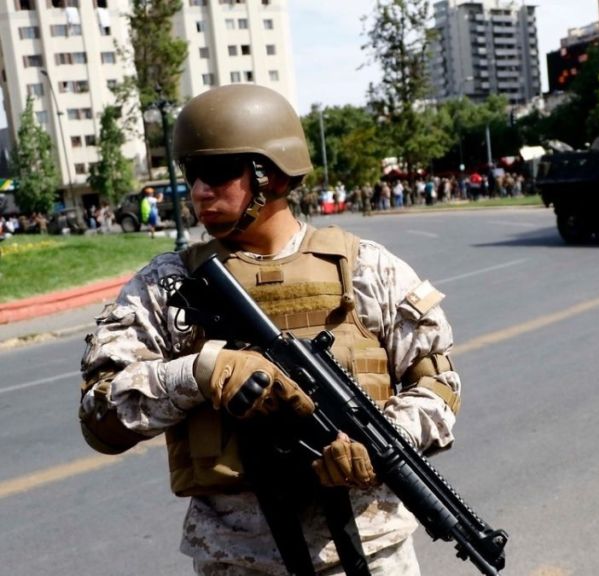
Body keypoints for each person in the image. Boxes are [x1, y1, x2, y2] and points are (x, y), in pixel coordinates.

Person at [78, 84, 462, 575]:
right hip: (238, 560)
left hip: (369, 553)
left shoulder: (367, 270)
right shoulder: (167, 285)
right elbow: (99, 415)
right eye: (191, 174)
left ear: (273, 176)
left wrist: (381, 440)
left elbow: (438, 385)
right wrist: (200, 373)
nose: (198, 191)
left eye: (217, 172)